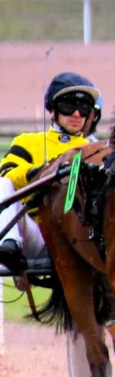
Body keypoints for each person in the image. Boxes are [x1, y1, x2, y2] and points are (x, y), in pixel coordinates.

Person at [0, 72, 102, 278]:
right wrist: (39, 172)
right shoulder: (27, 142)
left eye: (83, 108)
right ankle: (9, 245)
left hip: (81, 241)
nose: (76, 114)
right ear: (53, 110)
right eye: (67, 106)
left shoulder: (97, 151)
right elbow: (7, 174)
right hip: (36, 235)